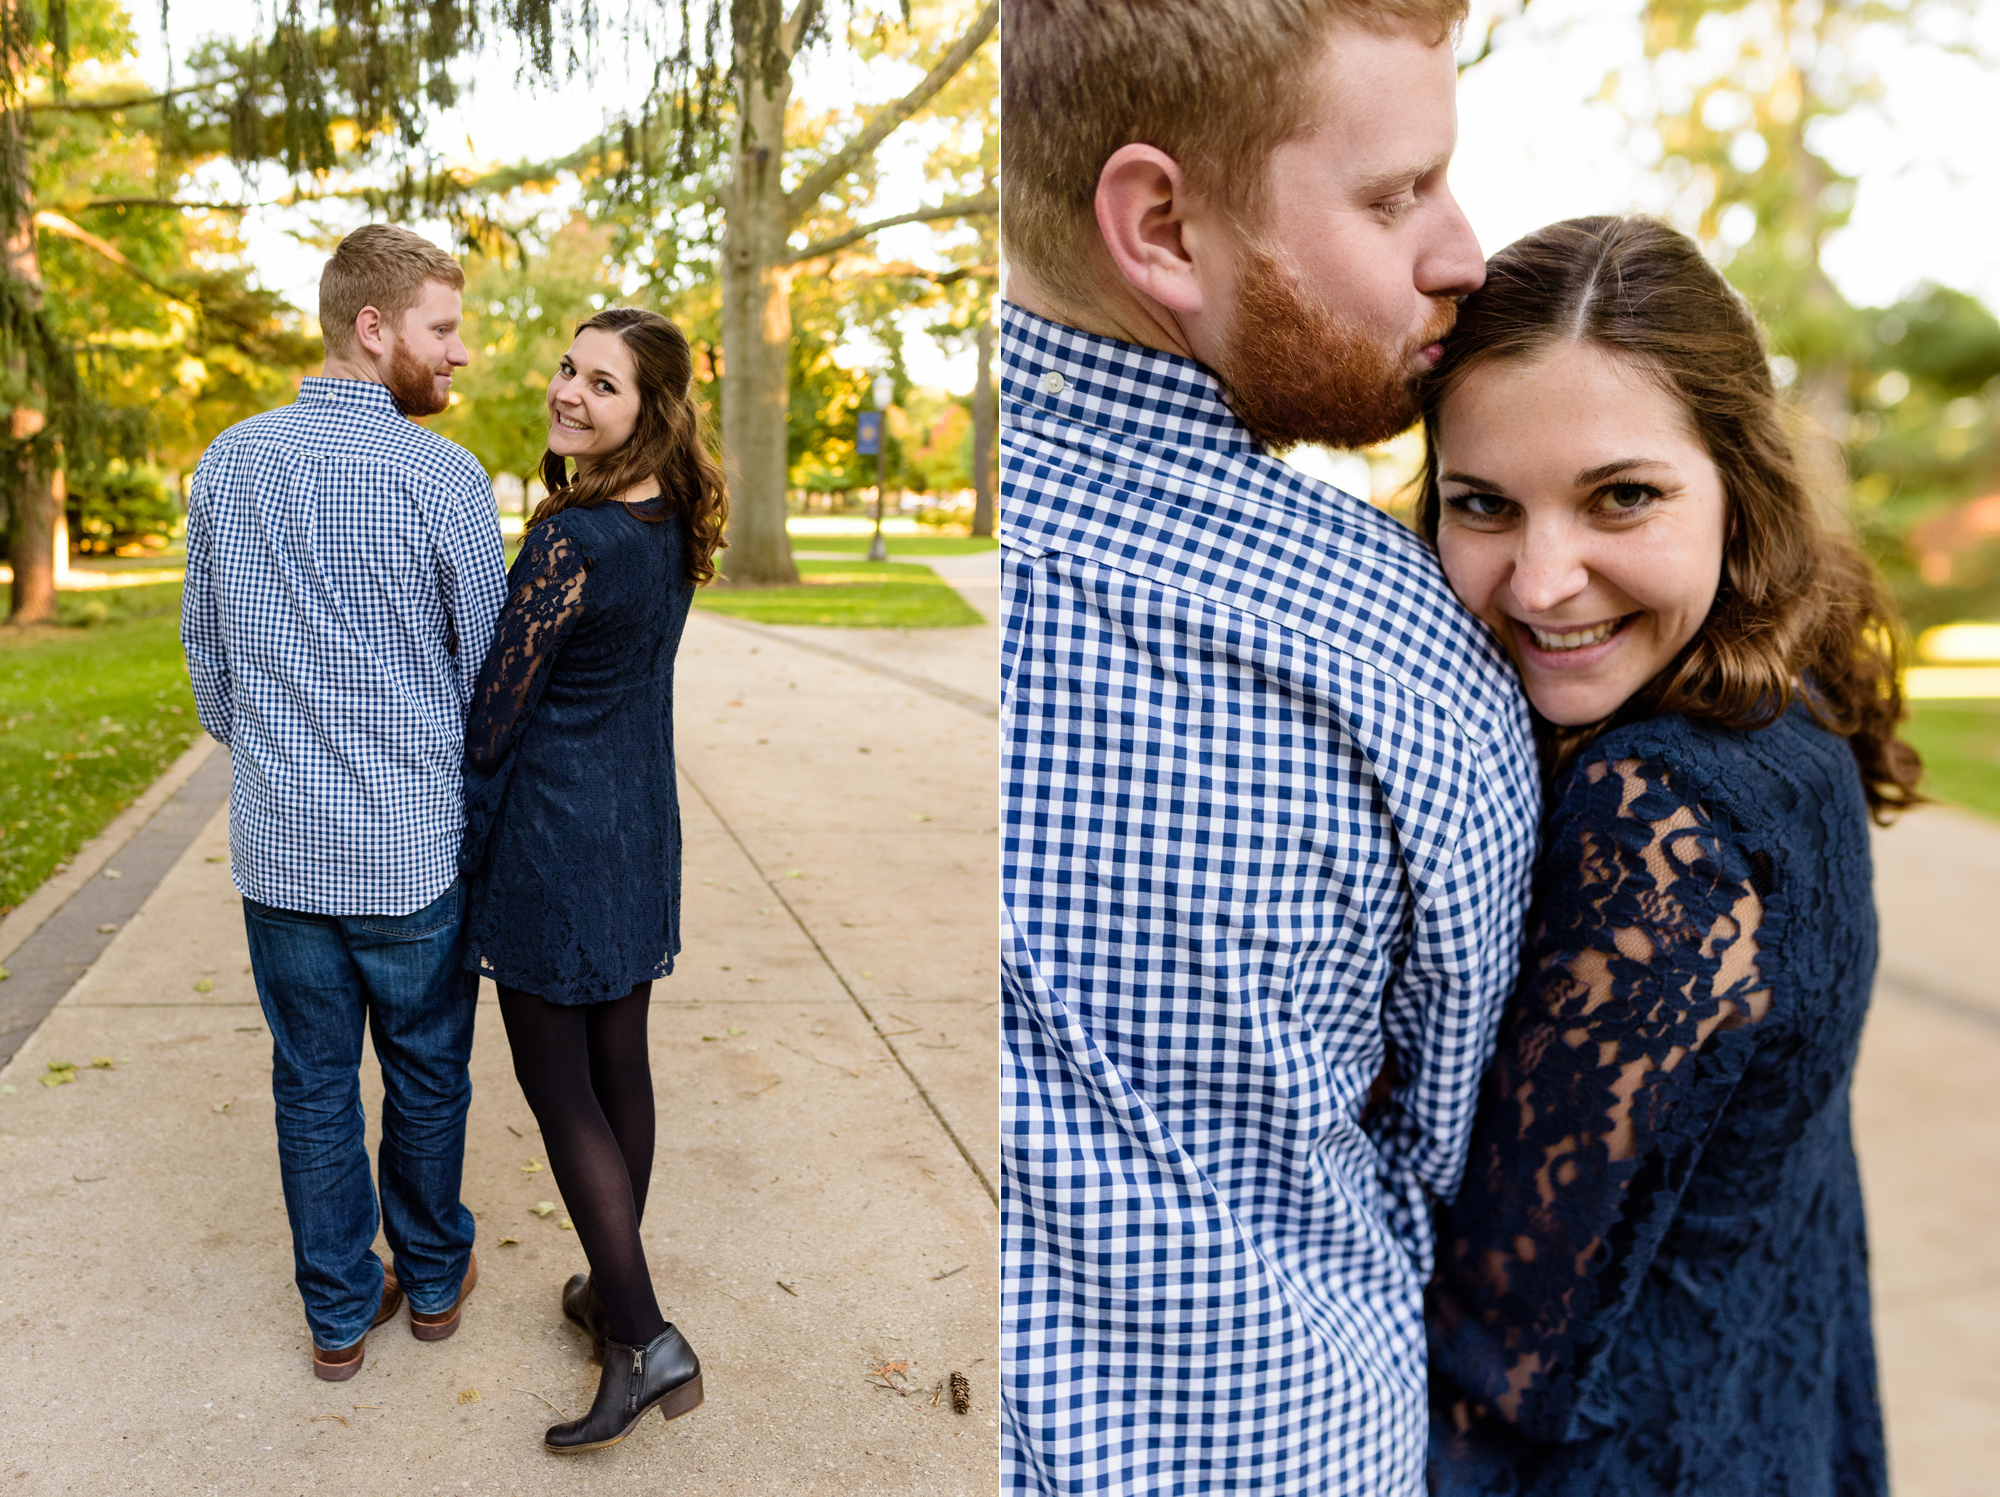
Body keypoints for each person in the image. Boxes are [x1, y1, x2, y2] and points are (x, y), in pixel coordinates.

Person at [998, 1, 1541, 1490]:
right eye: (1395, 194)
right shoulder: (1391, 641)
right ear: (1162, 225)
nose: (1463, 253)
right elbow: (1449, 1136)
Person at [1417, 215, 1918, 1495]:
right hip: (1773, 1413)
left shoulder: (1661, 817)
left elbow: (1502, 1339)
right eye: (1480, 504)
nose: (1539, 583)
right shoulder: (1780, 702)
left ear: (1733, 480)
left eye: (1619, 496)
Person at [181, 225, 506, 1379]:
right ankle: (428, 1281)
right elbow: (489, 681)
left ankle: (335, 1314)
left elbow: (208, 671)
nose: (458, 354)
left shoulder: (226, 463)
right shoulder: (443, 478)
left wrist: (282, 756)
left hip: (279, 854)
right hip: (411, 855)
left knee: (310, 1081)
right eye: (442, 328)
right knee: (426, 1069)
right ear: (373, 330)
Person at [456, 306, 725, 1453]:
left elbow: (492, 721)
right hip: (637, 832)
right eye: (568, 366)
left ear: (647, 413)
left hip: (558, 841)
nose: (567, 390)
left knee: (560, 1087)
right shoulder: (666, 520)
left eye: (600, 384)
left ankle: (646, 1336)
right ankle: (610, 1298)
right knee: (620, 1068)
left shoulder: (571, 542)